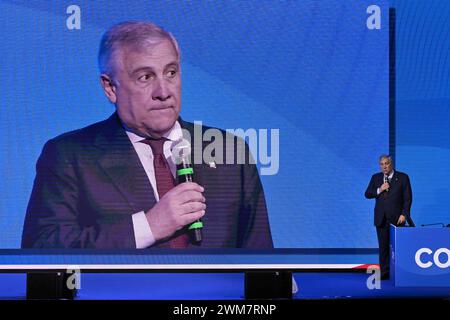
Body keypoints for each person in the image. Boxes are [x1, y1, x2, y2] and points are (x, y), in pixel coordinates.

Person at [21, 21, 273, 249]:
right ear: (110, 88)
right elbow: (41, 249)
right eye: (145, 77)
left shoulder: (228, 150)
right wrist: (148, 227)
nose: (163, 91)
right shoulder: (69, 155)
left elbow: (262, 261)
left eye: (171, 73)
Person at [364, 155, 412, 279]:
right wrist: (379, 189)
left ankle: (402, 272)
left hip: (397, 218)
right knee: (383, 247)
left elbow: (408, 198)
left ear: (391, 164)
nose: (384, 166)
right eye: (382, 164)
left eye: (386, 164)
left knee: (399, 247)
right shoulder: (376, 178)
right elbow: (367, 194)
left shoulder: (402, 177)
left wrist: (404, 214)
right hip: (381, 218)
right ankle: (385, 273)